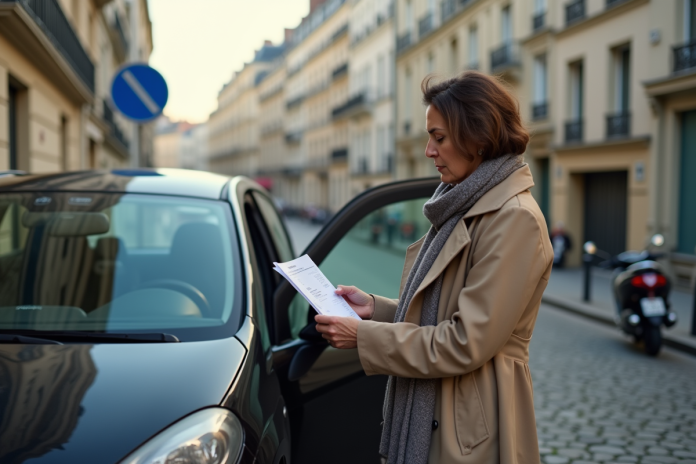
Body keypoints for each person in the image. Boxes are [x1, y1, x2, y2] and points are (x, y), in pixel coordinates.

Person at [315, 71, 553, 464]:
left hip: (471, 429)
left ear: (478, 137)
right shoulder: (465, 205)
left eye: (439, 138)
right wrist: (376, 309)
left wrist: (364, 336)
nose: (429, 151)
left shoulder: (513, 219)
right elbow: (440, 313)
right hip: (443, 412)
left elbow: (464, 342)